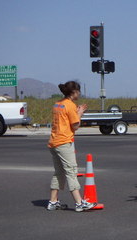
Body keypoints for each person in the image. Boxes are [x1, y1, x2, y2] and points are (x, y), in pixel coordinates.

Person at [46, 81, 96, 212]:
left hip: (53, 142)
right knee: (71, 171)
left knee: (59, 172)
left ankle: (53, 201)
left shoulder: (57, 104)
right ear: (73, 92)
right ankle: (79, 203)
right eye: (78, 91)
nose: (79, 93)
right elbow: (75, 125)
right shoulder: (70, 105)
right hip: (64, 142)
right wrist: (79, 113)